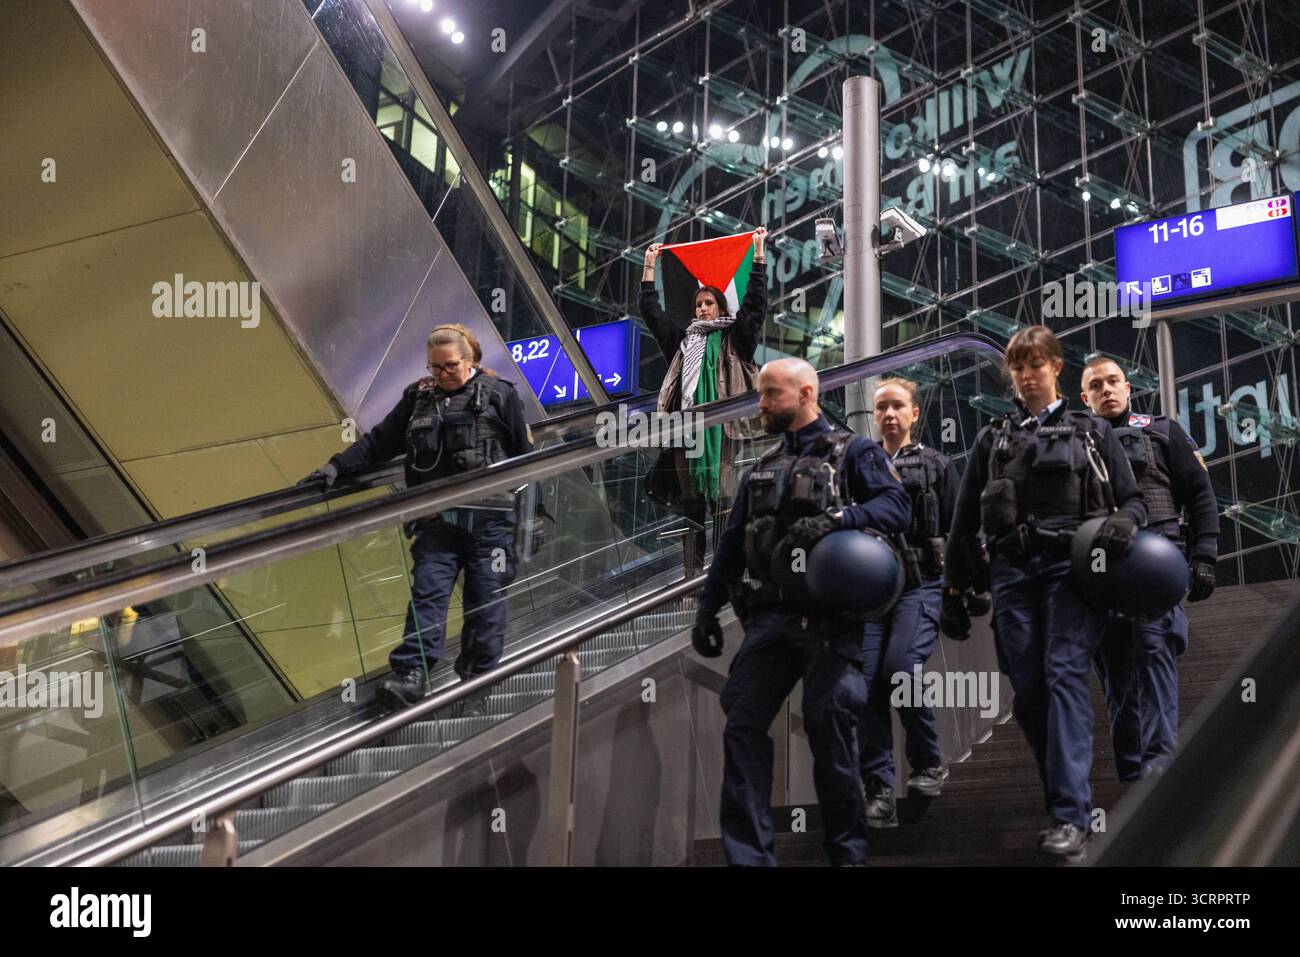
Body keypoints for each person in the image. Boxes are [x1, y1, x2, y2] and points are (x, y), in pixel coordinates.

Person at [691, 357, 911, 866]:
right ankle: (749, 859)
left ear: (807, 393)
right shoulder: (762, 467)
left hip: (833, 619)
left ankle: (847, 855)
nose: (762, 403)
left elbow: (896, 506)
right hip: (771, 618)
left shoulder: (853, 451)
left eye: (772, 394)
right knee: (742, 724)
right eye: (762, 394)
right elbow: (730, 545)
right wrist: (708, 608)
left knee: (828, 729)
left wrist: (841, 518)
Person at [941, 325, 1146, 858]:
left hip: (1071, 572)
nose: (1026, 376)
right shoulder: (993, 438)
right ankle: (1064, 803)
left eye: (1035, 365)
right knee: (1030, 692)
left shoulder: (1090, 432)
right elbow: (963, 523)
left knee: (1063, 677)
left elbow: (1133, 500)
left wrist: (1124, 522)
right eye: (1017, 367)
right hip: (1011, 573)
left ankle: (1071, 817)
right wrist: (953, 590)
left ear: (1057, 367)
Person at [302, 324, 533, 714]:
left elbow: (527, 461)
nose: (442, 375)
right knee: (427, 595)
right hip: (436, 520)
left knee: (485, 603)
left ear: (470, 359)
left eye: (450, 366)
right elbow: (379, 442)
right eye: (435, 368)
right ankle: (411, 675)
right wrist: (336, 467)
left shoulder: (500, 395)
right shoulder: (417, 397)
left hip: (490, 522)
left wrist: (528, 525)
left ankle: (477, 684)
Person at [1080, 357, 1220, 780]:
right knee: (1114, 667)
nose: (1107, 390)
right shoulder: (1076, 443)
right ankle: (1133, 769)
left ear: (1127, 387)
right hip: (1100, 573)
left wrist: (1205, 556)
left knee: (1154, 651)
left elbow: (1200, 494)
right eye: (1096, 385)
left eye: (1113, 381)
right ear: (1084, 398)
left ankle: (1160, 761)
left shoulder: (1162, 431)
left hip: (1154, 567)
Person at [859, 378, 960, 827]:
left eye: (897, 406)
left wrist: (960, 591)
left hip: (920, 584)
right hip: (870, 592)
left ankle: (927, 763)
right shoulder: (859, 467)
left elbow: (959, 530)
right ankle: (878, 789)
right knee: (864, 684)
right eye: (881, 408)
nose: (889, 415)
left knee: (900, 669)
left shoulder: (937, 464)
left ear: (915, 413)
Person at [640, 229, 768, 567]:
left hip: (724, 431)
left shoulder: (735, 339)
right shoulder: (683, 342)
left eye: (709, 303)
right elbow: (652, 314)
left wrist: (758, 255)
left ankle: (726, 569)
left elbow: (755, 304)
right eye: (698, 304)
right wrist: (649, 267)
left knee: (724, 501)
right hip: (686, 431)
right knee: (691, 504)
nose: (702, 308)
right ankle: (691, 576)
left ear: (720, 306)